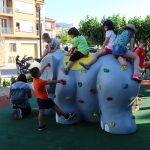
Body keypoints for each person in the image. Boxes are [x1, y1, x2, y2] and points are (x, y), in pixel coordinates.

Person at [29, 64, 75, 131]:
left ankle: (40, 125)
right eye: (39, 72)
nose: (40, 72)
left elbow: (40, 73)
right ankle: (66, 116)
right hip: (45, 99)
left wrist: (45, 66)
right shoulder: (40, 82)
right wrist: (59, 81)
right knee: (55, 107)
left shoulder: (35, 80)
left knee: (41, 112)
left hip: (39, 99)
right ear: (37, 74)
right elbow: (50, 82)